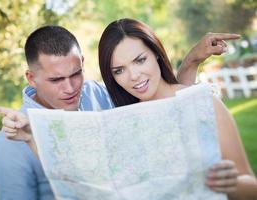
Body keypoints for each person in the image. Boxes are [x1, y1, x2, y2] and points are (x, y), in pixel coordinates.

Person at [0, 25, 241, 199]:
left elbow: (166, 105)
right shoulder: (9, 147)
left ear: (83, 64)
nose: (71, 88)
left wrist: (190, 62)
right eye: (56, 80)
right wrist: (32, 137)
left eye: (76, 74)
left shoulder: (102, 95)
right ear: (31, 78)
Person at [97, 18, 257, 199]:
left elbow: (252, 188)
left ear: (156, 52)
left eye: (140, 60)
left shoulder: (204, 104)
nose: (134, 76)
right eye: (119, 70)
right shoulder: (122, 126)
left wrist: (231, 184)